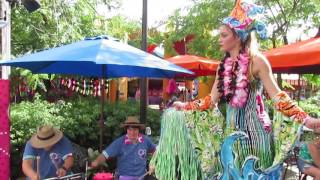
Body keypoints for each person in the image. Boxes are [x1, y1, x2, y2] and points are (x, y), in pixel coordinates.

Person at [173, 0, 320, 169]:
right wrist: (186, 106)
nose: (220, 40)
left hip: (256, 136)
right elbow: (211, 100)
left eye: (224, 35)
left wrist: (305, 119)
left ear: (238, 36)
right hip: (231, 137)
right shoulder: (222, 66)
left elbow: (278, 97)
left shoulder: (257, 61)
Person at [91, 116, 156, 180]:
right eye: (130, 130)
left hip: (142, 176)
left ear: (138, 129)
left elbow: (155, 151)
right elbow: (105, 155)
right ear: (126, 130)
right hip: (124, 177)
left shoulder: (146, 140)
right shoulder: (119, 142)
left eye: (135, 130)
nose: (132, 132)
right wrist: (95, 162)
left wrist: (153, 163)